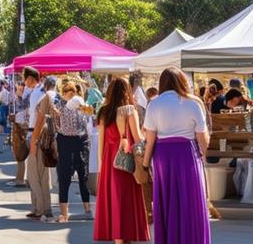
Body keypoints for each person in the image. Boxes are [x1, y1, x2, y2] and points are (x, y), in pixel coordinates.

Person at [142, 67, 210, 244]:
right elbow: (203, 138)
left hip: (163, 156)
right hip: (188, 153)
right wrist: (202, 156)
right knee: (191, 200)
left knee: (166, 199)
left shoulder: (154, 104)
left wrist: (145, 163)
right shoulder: (193, 103)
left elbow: (150, 139)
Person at [93, 76, 149, 244]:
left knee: (115, 205)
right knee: (125, 205)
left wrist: (102, 168)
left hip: (109, 162)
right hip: (126, 161)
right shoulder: (129, 110)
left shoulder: (103, 111)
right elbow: (138, 140)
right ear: (127, 91)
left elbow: (100, 143)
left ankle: (118, 240)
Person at [54, 80, 92, 223]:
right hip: (66, 141)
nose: (71, 95)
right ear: (63, 93)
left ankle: (87, 209)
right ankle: (64, 212)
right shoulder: (60, 105)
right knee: (64, 176)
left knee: (83, 175)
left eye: (72, 92)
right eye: (68, 92)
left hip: (80, 141)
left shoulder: (81, 105)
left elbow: (88, 118)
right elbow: (55, 119)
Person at [28, 76, 57, 220]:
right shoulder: (58, 99)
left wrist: (33, 141)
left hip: (40, 139)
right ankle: (47, 208)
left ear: (45, 86)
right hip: (51, 142)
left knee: (33, 176)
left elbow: (39, 121)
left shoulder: (45, 98)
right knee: (45, 176)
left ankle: (39, 208)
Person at [12, 67, 39, 188]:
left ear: (30, 78)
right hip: (26, 126)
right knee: (22, 154)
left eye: (24, 77)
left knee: (25, 154)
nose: (23, 80)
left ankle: (25, 180)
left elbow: (23, 107)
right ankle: (23, 179)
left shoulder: (36, 91)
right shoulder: (33, 90)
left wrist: (19, 97)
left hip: (30, 127)